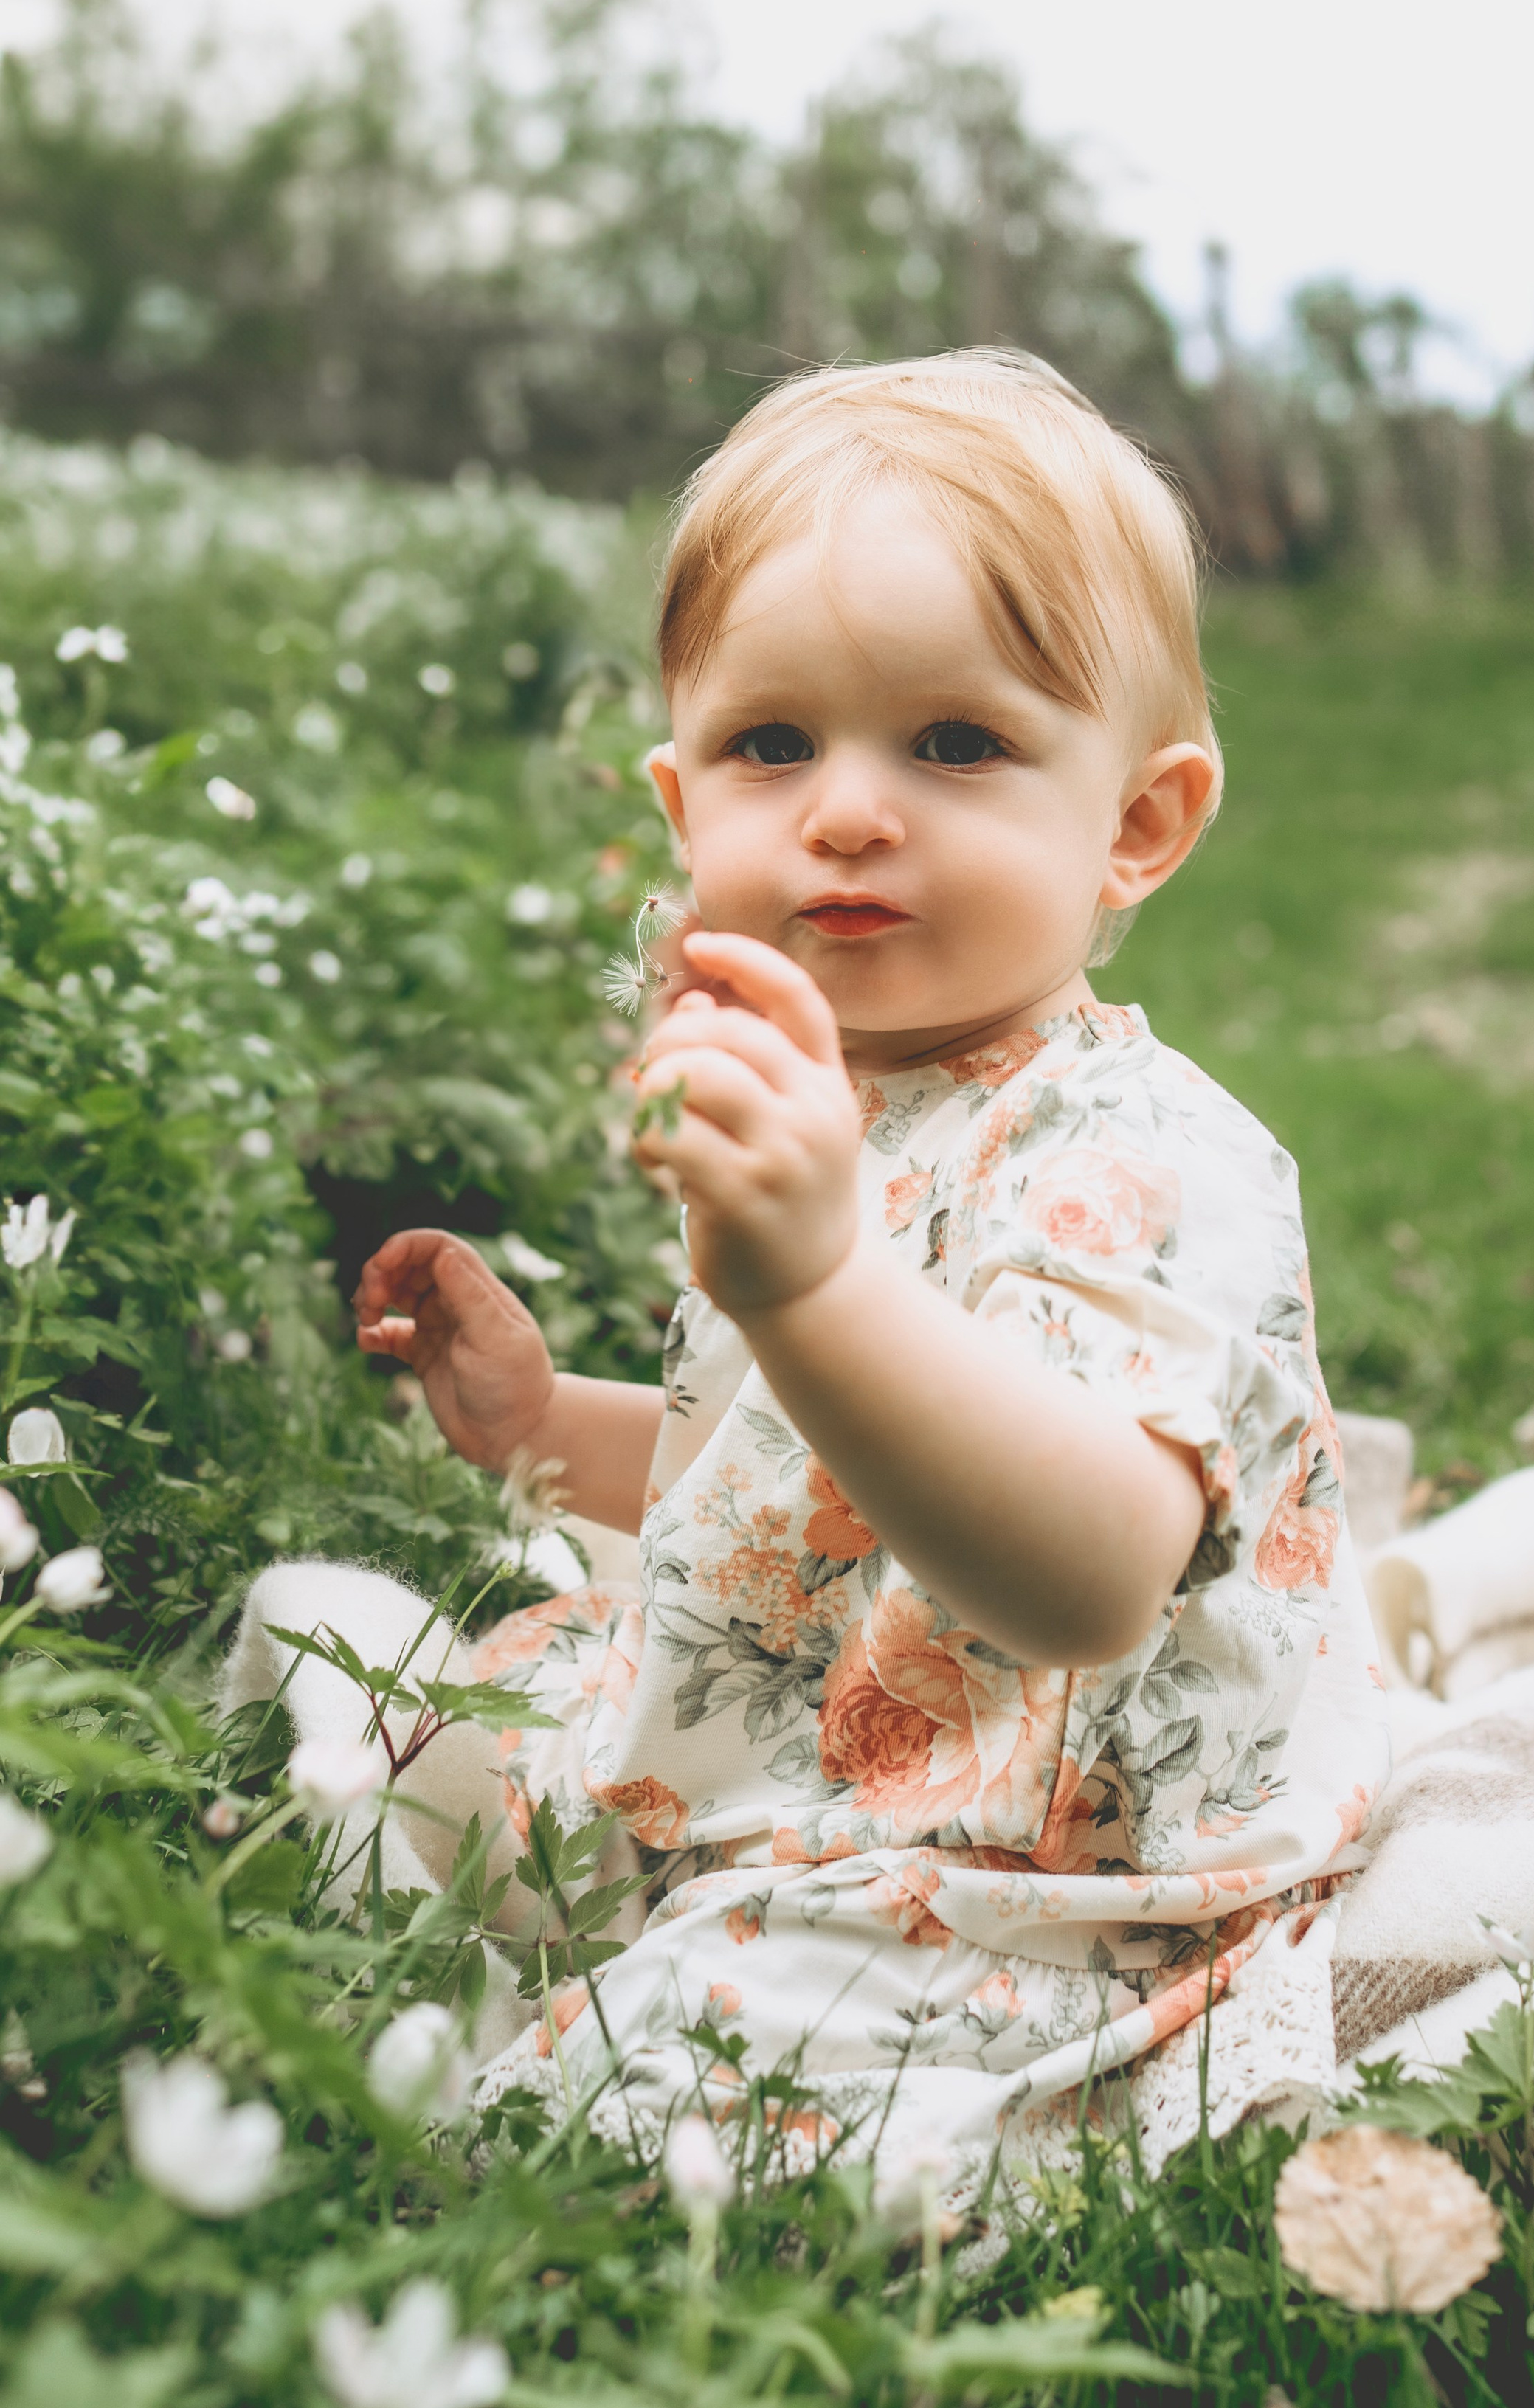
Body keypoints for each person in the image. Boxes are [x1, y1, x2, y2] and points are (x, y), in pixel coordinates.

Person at [345, 350, 1390, 2176]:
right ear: (684, 807)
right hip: (827, 1756)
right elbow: (787, 1480)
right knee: (402, 1696)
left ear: (1133, 825)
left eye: (954, 743)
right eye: (772, 746)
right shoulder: (835, 1104)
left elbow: (1084, 1581)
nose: (842, 809)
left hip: (1048, 1858)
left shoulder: (1144, 1157)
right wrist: (539, 1422)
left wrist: (815, 1277)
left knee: (649, 2095)